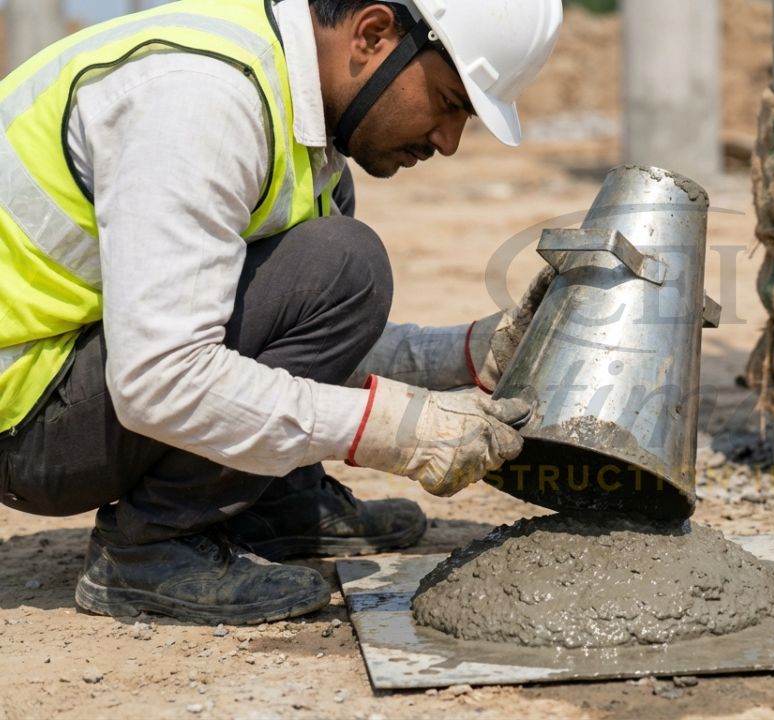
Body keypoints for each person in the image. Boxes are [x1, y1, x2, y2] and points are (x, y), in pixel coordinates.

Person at [0, 0, 562, 624]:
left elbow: (282, 326)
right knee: (342, 264)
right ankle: (149, 549)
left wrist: (464, 354)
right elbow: (161, 378)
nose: (449, 141)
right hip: (20, 423)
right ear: (374, 34)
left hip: (63, 374)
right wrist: (399, 434)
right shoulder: (202, 102)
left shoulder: (290, 107)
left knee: (331, 262)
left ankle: (266, 499)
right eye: (450, 103)